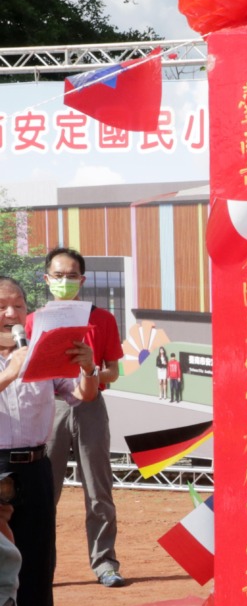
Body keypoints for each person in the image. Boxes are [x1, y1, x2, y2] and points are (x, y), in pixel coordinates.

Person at [0, 276, 100, 606]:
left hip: (35, 468)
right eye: (2, 306)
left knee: (39, 563)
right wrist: (11, 371)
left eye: (19, 306)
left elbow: (80, 395)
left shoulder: (39, 351)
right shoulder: (20, 360)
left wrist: (89, 370)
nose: (11, 314)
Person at [30, 248, 124, 587]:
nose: (65, 281)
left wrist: (93, 370)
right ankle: (39, 568)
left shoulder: (103, 320)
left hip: (91, 405)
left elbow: (114, 371)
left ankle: (105, 563)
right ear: (47, 279)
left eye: (72, 276)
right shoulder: (33, 320)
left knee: (98, 489)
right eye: (58, 275)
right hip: (48, 408)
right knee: (44, 492)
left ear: (82, 280)